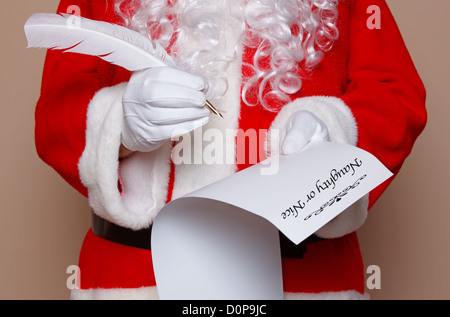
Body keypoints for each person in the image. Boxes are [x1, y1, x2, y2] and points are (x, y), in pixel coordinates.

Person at [35, 0, 427, 299]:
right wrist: (120, 124)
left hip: (306, 280)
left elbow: (396, 96)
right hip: (134, 280)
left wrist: (334, 131)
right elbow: (57, 111)